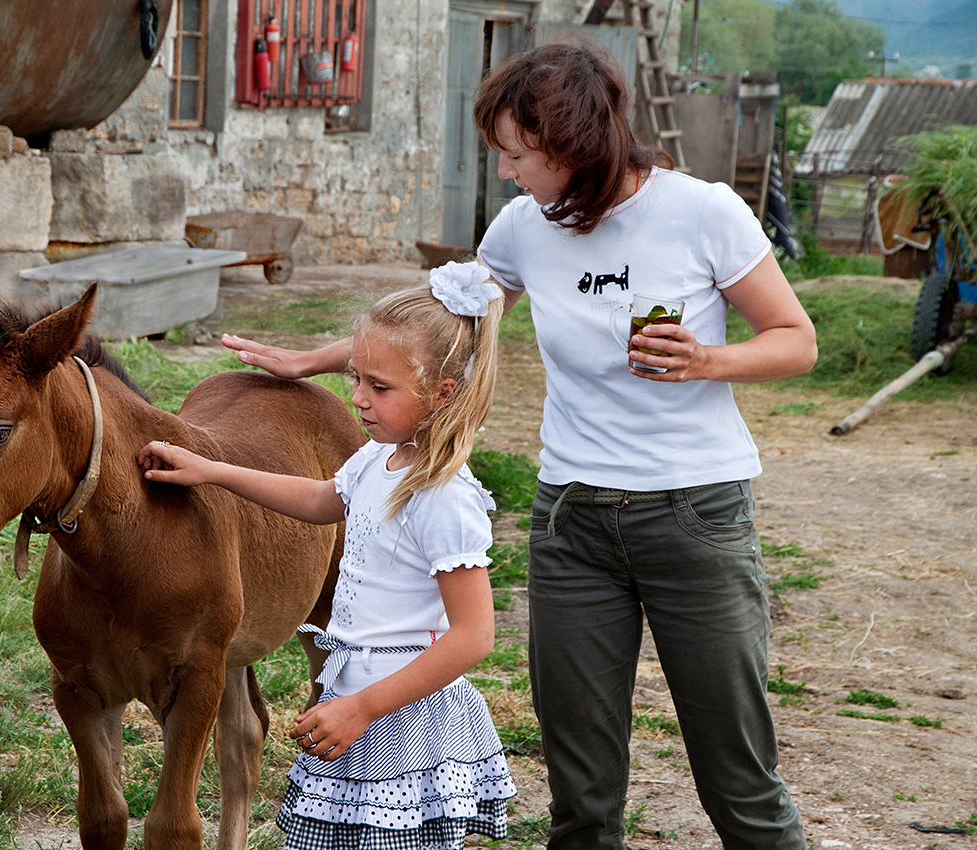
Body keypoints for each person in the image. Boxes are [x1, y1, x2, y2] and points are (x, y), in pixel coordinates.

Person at [219, 34, 817, 850]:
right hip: (571, 521)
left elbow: (794, 339)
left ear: (574, 145)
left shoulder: (701, 211)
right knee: (579, 782)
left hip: (694, 516)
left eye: (518, 154)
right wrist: (317, 360)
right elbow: (434, 329)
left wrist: (710, 359)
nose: (507, 172)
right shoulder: (524, 226)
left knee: (735, 771)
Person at [139, 266, 517, 850]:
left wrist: (362, 708)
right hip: (354, 697)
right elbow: (321, 500)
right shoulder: (376, 457)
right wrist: (211, 472)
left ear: (444, 392)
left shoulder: (443, 497)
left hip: (405, 713)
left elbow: (474, 636)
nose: (357, 398)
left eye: (379, 387)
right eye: (355, 377)